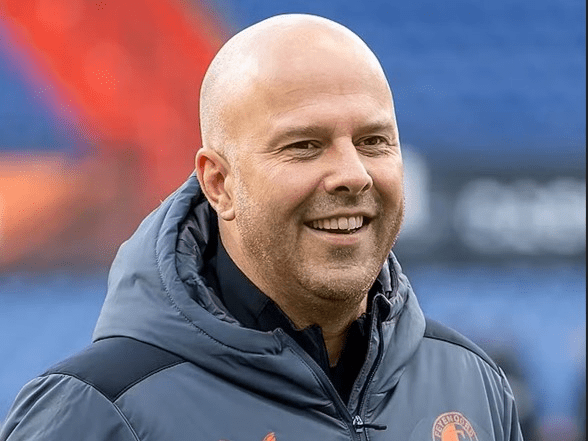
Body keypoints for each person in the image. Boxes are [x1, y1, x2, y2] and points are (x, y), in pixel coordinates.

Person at [0, 14, 524, 441]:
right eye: (305, 146)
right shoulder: (98, 411)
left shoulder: (471, 384)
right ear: (219, 183)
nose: (353, 174)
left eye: (373, 142)